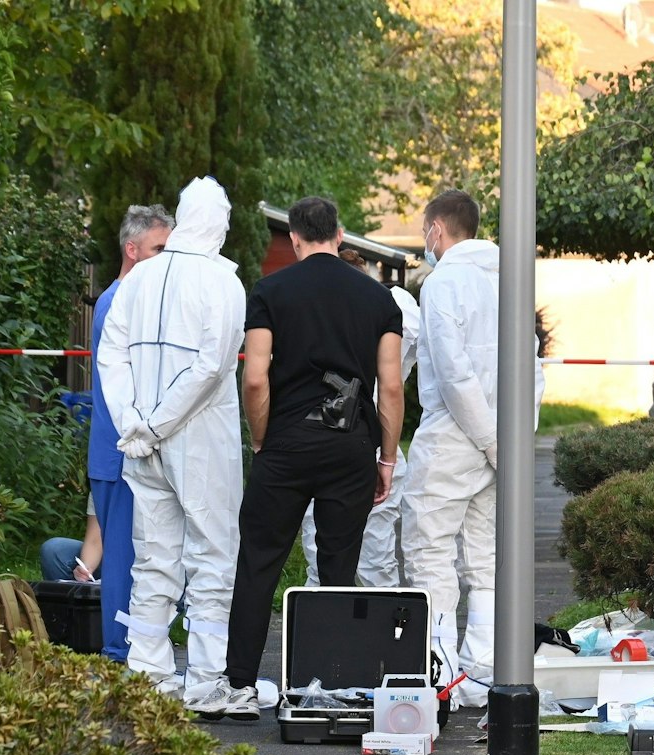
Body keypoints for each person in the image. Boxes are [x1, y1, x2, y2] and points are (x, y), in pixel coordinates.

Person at [221, 199, 404, 719]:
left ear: (296, 239)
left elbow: (254, 377)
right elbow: (390, 387)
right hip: (349, 446)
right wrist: (385, 459)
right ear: (340, 235)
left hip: (286, 442)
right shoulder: (378, 299)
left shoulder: (271, 291)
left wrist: (261, 440)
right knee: (339, 565)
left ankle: (238, 685)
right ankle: (327, 681)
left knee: (259, 560)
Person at [97, 176, 247, 715]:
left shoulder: (140, 278)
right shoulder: (223, 283)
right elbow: (213, 366)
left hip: (142, 441)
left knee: (154, 556)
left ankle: (148, 672)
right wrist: (155, 423)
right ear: (219, 224)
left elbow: (110, 354)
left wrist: (133, 421)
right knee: (211, 555)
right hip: (198, 437)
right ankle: (206, 680)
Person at [401, 188, 543, 711]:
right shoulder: (511, 279)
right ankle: (483, 670)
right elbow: (534, 369)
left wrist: (488, 439)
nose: (424, 242)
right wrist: (512, 441)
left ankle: (440, 672)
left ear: (438, 230)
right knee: (485, 556)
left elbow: (454, 372)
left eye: (424, 232)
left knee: (428, 547)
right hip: (502, 438)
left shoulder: (443, 284)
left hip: (454, 436)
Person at [298, 247, 420, 587]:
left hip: (327, 444)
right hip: (377, 446)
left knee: (322, 562)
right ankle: (378, 638)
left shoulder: (325, 317)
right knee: (375, 565)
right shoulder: (391, 312)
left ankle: (316, 638)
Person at [85, 204, 173, 662]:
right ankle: (120, 650)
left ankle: (134, 644)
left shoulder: (131, 300)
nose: (168, 258)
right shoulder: (118, 304)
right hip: (119, 451)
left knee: (140, 554)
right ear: (132, 250)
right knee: (121, 556)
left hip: (126, 448)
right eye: (160, 248)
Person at [40, 505, 102, 582]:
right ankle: (62, 593)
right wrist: (86, 568)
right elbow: (94, 540)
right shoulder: (100, 494)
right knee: (53, 550)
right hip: (108, 559)